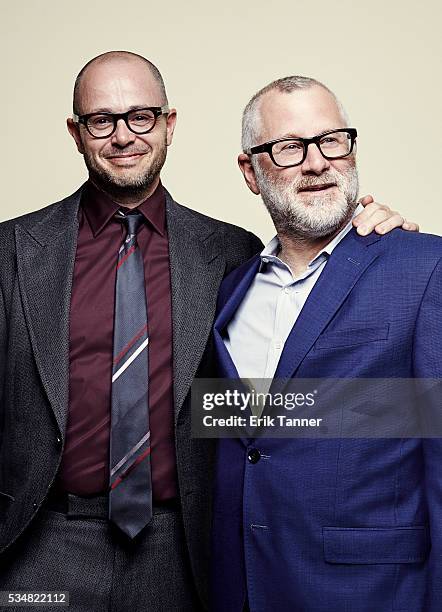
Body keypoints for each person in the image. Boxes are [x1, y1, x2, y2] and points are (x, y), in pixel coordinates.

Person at [0, 51, 414, 612]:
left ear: (170, 124)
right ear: (77, 132)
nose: (124, 135)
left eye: (142, 115)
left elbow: (272, 408)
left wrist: (374, 239)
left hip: (181, 549)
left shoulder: (232, 255)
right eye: (102, 120)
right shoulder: (14, 252)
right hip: (43, 546)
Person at [211, 76, 442, 612]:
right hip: (242, 584)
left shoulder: (424, 269)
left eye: (332, 140)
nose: (317, 162)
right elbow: (238, 439)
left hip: (372, 594)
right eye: (289, 147)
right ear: (250, 172)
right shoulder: (228, 289)